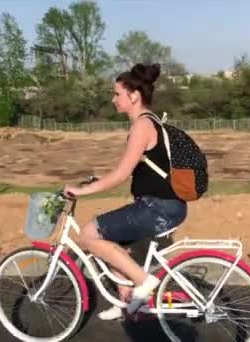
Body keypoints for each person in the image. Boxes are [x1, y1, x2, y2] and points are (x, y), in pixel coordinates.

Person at [63, 63, 188, 319]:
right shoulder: (148, 122)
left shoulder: (142, 125)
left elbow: (120, 175)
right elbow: (133, 169)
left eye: (117, 93)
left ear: (134, 96)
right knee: (110, 239)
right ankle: (124, 301)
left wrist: (80, 191)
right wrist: (98, 180)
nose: (113, 99)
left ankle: (144, 281)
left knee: (88, 235)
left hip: (158, 207)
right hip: (163, 204)